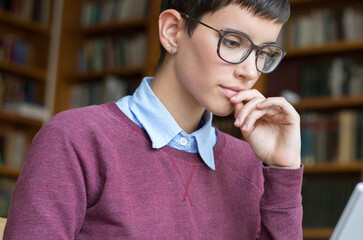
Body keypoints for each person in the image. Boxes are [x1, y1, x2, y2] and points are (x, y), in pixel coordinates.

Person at [4, 0, 303, 239]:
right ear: (172, 31)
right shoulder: (76, 138)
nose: (250, 71)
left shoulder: (248, 164)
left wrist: (284, 169)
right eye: (234, 42)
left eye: (264, 53)